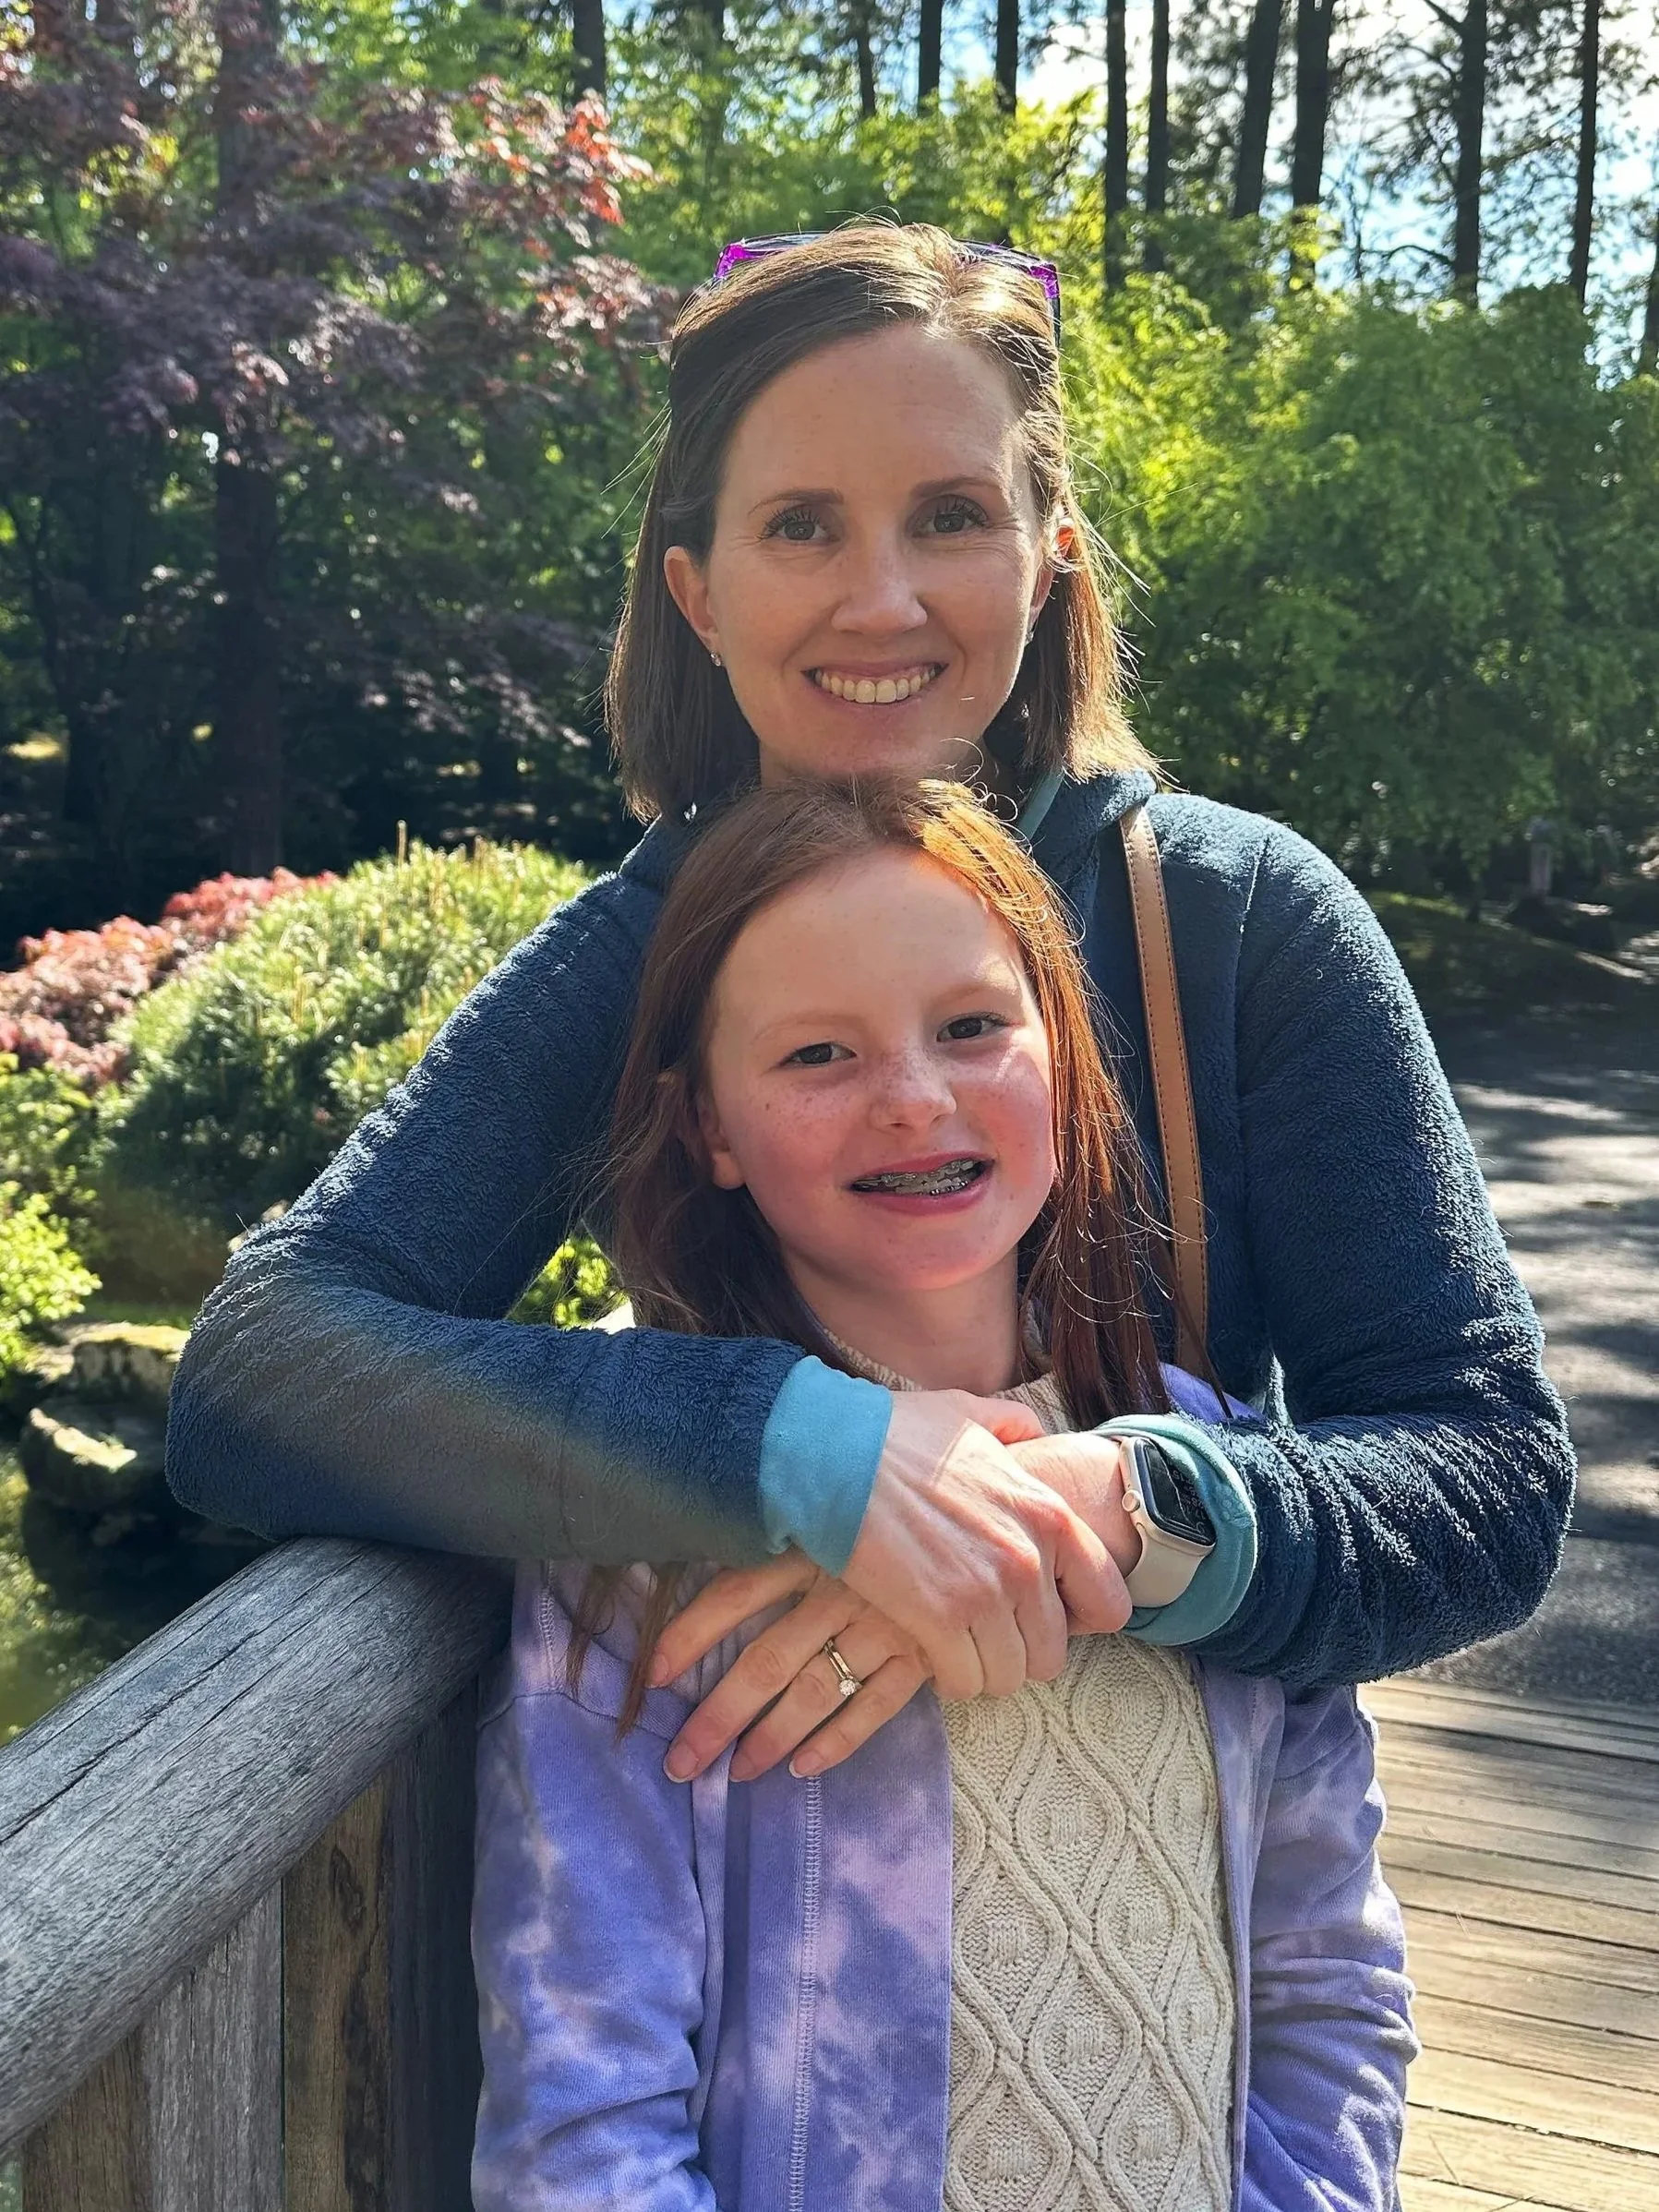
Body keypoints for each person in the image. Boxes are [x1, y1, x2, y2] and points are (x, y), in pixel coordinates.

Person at [166, 223, 1573, 1760]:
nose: (882, 601)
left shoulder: (1244, 924)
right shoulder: (637, 957)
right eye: (802, 527)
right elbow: (264, 1369)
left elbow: (1489, 1475)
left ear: (1050, 556)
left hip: (1200, 1901)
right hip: (743, 1890)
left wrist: (1085, 1506)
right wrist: (807, 1450)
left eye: (952, 515)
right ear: (698, 595)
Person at [470, 776, 1416, 2212]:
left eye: (973, 1026)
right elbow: (584, 2103)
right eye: (817, 1053)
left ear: (1066, 1058)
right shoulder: (644, 1550)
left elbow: (1330, 1984)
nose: (914, 1096)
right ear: (708, 1127)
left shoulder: (1217, 1476)